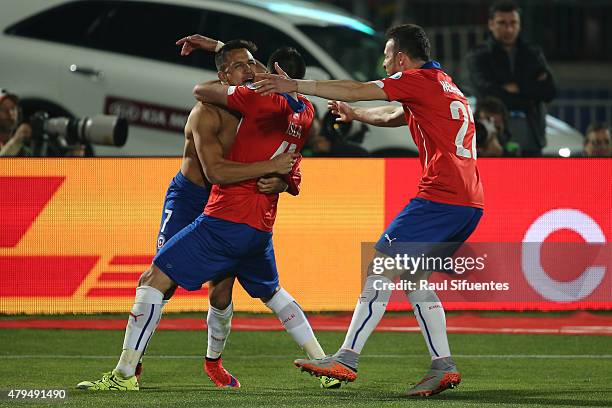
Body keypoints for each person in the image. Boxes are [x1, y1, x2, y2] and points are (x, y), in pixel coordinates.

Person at [77, 38, 332, 391]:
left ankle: (213, 362)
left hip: (228, 204)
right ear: (223, 74)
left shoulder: (260, 106)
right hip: (191, 199)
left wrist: (281, 180)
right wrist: (272, 168)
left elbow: (288, 152)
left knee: (221, 292)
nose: (250, 70)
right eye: (240, 66)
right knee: (160, 283)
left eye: (252, 64)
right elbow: (215, 170)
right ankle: (130, 369)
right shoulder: (206, 110)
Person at [253, 23, 483, 397]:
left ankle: (346, 358)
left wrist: (296, 85)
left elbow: (359, 90)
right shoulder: (443, 82)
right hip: (469, 202)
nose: (384, 62)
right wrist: (356, 116)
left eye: (388, 56)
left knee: (379, 264)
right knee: (411, 280)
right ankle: (442, 365)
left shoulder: (415, 79)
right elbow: (392, 116)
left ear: (402, 59)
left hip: (441, 196)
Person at [466, 0, 556, 157]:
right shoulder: (478, 55)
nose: (509, 28)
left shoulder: (533, 53)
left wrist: (516, 88)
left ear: (519, 24)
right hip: (492, 138)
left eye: (513, 22)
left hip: (532, 136)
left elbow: (549, 91)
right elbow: (487, 92)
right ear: (491, 24)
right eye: (502, 23)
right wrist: (530, 93)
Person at [0, 89, 32, 157]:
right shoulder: (16, 143)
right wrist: (16, 142)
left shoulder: (24, 150)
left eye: (13, 108)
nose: (10, 113)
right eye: (3, 109)